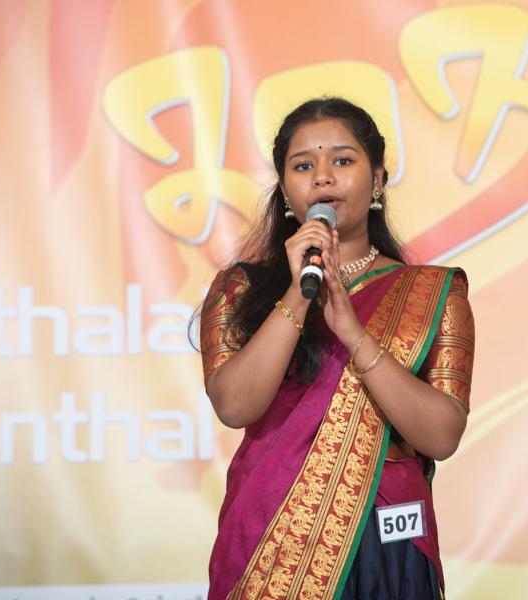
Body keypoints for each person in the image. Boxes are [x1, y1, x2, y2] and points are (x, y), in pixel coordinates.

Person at [199, 97, 475, 599]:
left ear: (378, 180)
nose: (323, 177)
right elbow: (234, 405)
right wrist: (297, 295)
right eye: (303, 166)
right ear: (285, 189)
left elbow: (442, 436)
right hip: (270, 540)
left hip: (387, 542)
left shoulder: (431, 293)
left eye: (343, 160)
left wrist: (351, 331)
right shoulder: (239, 289)